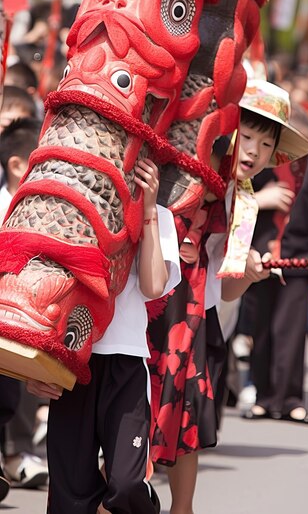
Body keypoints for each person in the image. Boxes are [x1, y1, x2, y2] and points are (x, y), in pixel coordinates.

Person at [147, 80, 308, 514]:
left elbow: (226, 286)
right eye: (248, 137)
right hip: (146, 305)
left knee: (187, 422)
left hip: (194, 317)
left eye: (266, 144)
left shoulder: (246, 205)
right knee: (132, 421)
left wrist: (252, 274)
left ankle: (183, 509)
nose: (254, 152)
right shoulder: (182, 166)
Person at [26, 157, 181, 514]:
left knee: (126, 486)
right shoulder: (65, 210)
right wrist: (35, 371)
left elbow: (153, 285)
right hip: (70, 363)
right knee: (70, 492)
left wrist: (148, 212)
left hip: (125, 364)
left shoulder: (159, 217)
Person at [240, 106, 308, 425]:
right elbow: (238, 198)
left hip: (297, 258)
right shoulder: (257, 165)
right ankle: (264, 396)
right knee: (261, 329)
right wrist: (262, 198)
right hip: (259, 257)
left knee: (291, 332)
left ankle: (291, 399)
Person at [0, 118, 48, 495]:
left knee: (15, 391)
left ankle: (18, 455)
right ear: (18, 165)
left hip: (23, 318)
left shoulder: (48, 209)